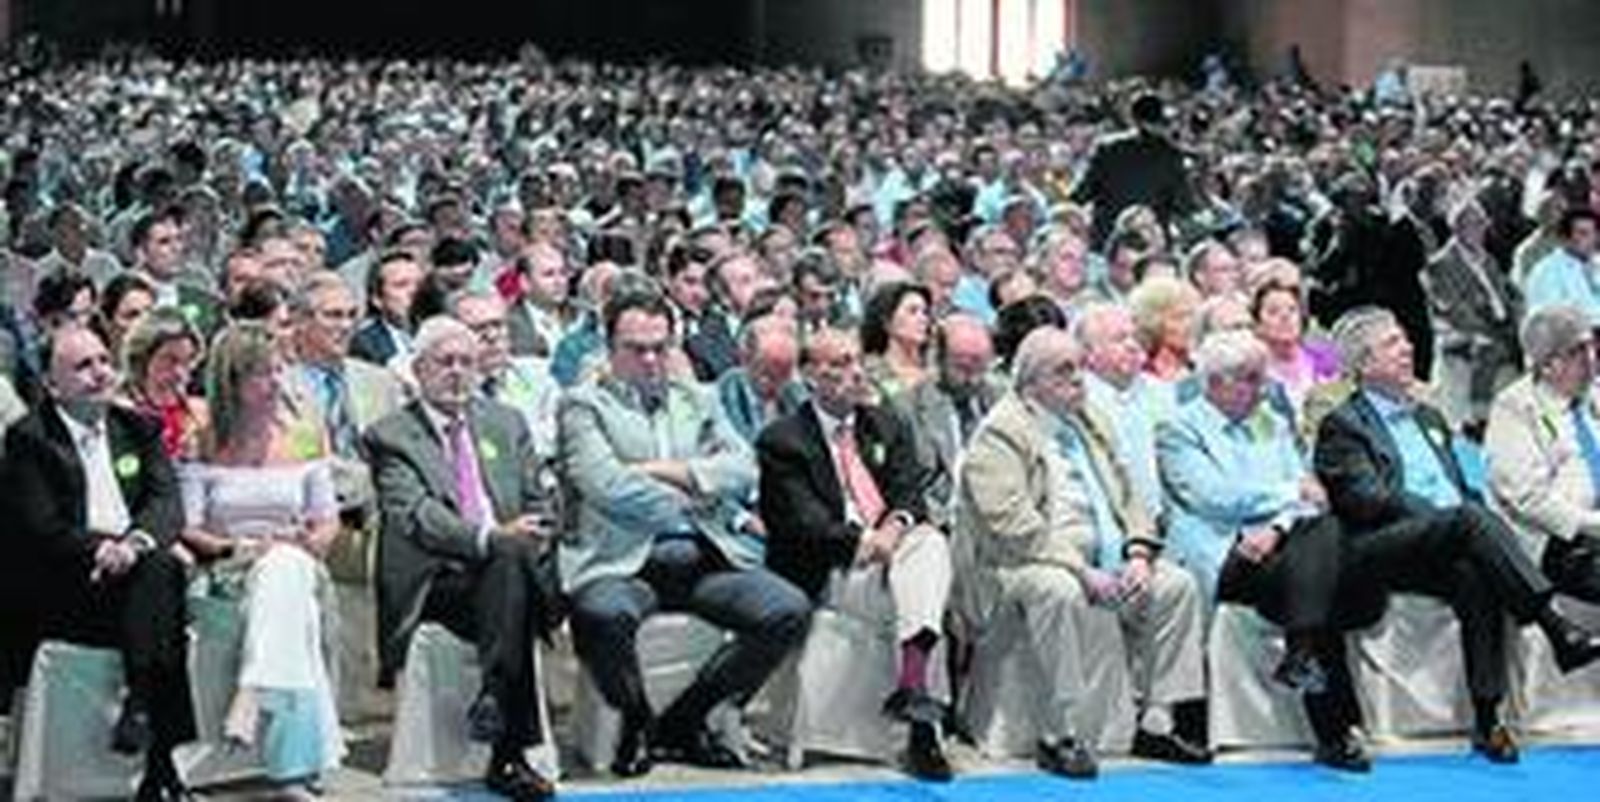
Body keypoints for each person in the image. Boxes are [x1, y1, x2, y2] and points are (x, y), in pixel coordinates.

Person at [1315, 307, 1600, 763]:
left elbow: (1461, 486)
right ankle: (1555, 626)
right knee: (1469, 519)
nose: (1408, 348)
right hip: (1377, 545)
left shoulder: (1428, 414)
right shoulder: (1344, 424)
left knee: (1475, 568)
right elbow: (1365, 499)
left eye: (1405, 339)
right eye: (1392, 344)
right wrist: (1442, 518)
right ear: (1364, 366)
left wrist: (1457, 522)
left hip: (1445, 539)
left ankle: (1487, 719)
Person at [558, 288, 809, 777]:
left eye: (661, 346)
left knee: (787, 609)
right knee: (601, 615)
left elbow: (745, 468)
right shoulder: (582, 405)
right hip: (623, 559)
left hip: (704, 553)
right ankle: (634, 719)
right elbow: (605, 486)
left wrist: (664, 470)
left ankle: (683, 722)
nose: (651, 359)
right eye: (637, 348)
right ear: (610, 347)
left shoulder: (700, 398)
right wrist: (697, 491)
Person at [957, 327, 1209, 779]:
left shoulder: (1088, 422)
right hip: (1022, 562)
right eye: (1063, 371)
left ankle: (1155, 721)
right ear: (1030, 383)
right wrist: (1080, 569)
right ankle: (1060, 733)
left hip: (1106, 554)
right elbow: (1013, 526)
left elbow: (1131, 497)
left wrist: (1136, 554)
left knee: (1175, 585)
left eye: (1078, 368)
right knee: (1059, 591)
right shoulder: (1000, 433)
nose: (1078, 380)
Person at [366, 317, 560, 802]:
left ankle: (495, 699)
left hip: (506, 573)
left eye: (466, 362)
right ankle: (509, 754)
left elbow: (542, 502)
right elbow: (418, 517)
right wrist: (492, 537)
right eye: (444, 362)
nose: (456, 373)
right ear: (418, 369)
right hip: (437, 580)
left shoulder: (505, 422)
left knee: (512, 564)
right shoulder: (391, 435)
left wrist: (528, 533)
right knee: (509, 559)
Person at [4, 325, 197, 801]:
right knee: (163, 592)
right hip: (67, 584)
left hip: (135, 575)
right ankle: (160, 762)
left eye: (103, 361)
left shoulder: (138, 427)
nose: (99, 374)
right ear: (51, 385)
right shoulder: (29, 439)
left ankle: (142, 708)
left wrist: (133, 544)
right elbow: (40, 527)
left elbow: (167, 504)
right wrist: (101, 549)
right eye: (83, 367)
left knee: (161, 571)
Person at [758, 327, 957, 780]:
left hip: (896, 551)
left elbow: (910, 493)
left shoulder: (885, 423)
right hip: (832, 563)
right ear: (810, 375)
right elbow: (802, 525)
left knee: (929, 545)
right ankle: (920, 713)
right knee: (924, 574)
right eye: (838, 365)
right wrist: (869, 542)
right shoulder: (783, 440)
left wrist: (893, 528)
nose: (853, 374)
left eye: (855, 362)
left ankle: (914, 692)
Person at [177, 322, 344, 797]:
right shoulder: (203, 440)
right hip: (227, 566)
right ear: (230, 382)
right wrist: (238, 549)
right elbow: (188, 527)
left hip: (295, 559)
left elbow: (327, 523)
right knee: (285, 594)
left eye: (278, 371)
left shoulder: (304, 436)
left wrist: (304, 543)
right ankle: (292, 771)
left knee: (285, 572)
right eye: (261, 375)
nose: (275, 384)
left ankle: (252, 692)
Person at [1484, 304, 1600, 603]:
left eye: (1592, 347)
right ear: (1548, 365)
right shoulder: (1514, 410)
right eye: (1579, 352)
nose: (1592, 359)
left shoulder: (1593, 391)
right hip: (1562, 539)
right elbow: (1530, 499)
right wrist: (1593, 523)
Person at [1422, 198, 1521, 430]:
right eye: (1470, 224)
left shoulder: (1488, 260)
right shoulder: (1442, 264)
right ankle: (1479, 417)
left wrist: (1516, 316)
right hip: (1462, 331)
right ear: (1455, 228)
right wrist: (1487, 329)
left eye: (1481, 224)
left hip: (1500, 324)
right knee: (1489, 346)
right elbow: (1452, 309)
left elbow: (1509, 293)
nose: (1478, 230)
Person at [1070, 92, 1194, 250]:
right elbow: (1185, 205)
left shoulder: (1107, 148)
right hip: (1151, 246)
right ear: (1160, 120)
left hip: (1109, 242)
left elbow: (1082, 193)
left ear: (1132, 117)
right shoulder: (1171, 155)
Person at [122, 308, 208, 461]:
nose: (180, 372)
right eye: (170, 360)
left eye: (187, 361)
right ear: (143, 357)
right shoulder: (122, 412)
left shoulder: (201, 414)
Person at [1525, 208, 1600, 325]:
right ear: (1566, 238)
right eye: (1583, 233)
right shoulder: (1546, 272)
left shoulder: (1596, 262)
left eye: (1594, 233)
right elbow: (1553, 320)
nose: (1592, 239)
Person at [861, 281, 933, 402]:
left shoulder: (933, 373)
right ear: (887, 321)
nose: (923, 319)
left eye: (925, 312)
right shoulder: (871, 370)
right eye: (912, 311)